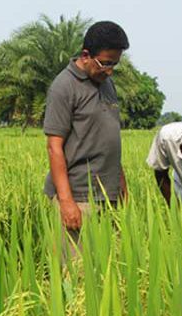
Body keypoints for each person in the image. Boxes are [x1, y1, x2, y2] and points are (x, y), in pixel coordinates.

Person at [43, 21, 130, 250]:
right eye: (105, 63)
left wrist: (121, 184)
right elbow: (54, 147)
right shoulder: (64, 87)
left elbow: (107, 138)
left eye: (115, 64)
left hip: (107, 197)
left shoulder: (107, 84)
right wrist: (66, 202)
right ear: (85, 55)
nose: (110, 71)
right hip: (79, 198)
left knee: (106, 275)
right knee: (77, 277)